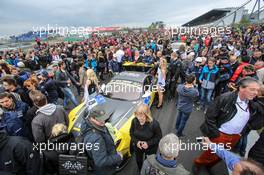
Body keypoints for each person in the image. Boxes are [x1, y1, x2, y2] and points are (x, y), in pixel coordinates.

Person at [193, 77, 262, 173]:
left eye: (257, 90)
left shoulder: (253, 104)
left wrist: (240, 134)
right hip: (220, 135)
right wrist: (215, 134)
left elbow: (255, 123)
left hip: (235, 137)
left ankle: (209, 165)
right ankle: (198, 164)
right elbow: (210, 116)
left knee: (223, 155)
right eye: (252, 89)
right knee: (210, 153)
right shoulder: (225, 98)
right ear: (241, 88)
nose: (255, 93)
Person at [81, 104, 123, 175]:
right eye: (99, 119)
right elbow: (101, 161)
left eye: (103, 117)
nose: (103, 121)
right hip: (106, 170)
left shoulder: (90, 124)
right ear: (91, 118)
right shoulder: (96, 138)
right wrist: (118, 157)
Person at [130, 104, 162, 170]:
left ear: (147, 115)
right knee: (139, 161)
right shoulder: (134, 121)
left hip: (151, 148)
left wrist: (148, 143)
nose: (139, 118)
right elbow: (131, 133)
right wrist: (137, 142)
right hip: (138, 147)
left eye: (142, 116)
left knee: (148, 163)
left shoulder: (154, 124)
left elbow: (158, 137)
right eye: (137, 115)